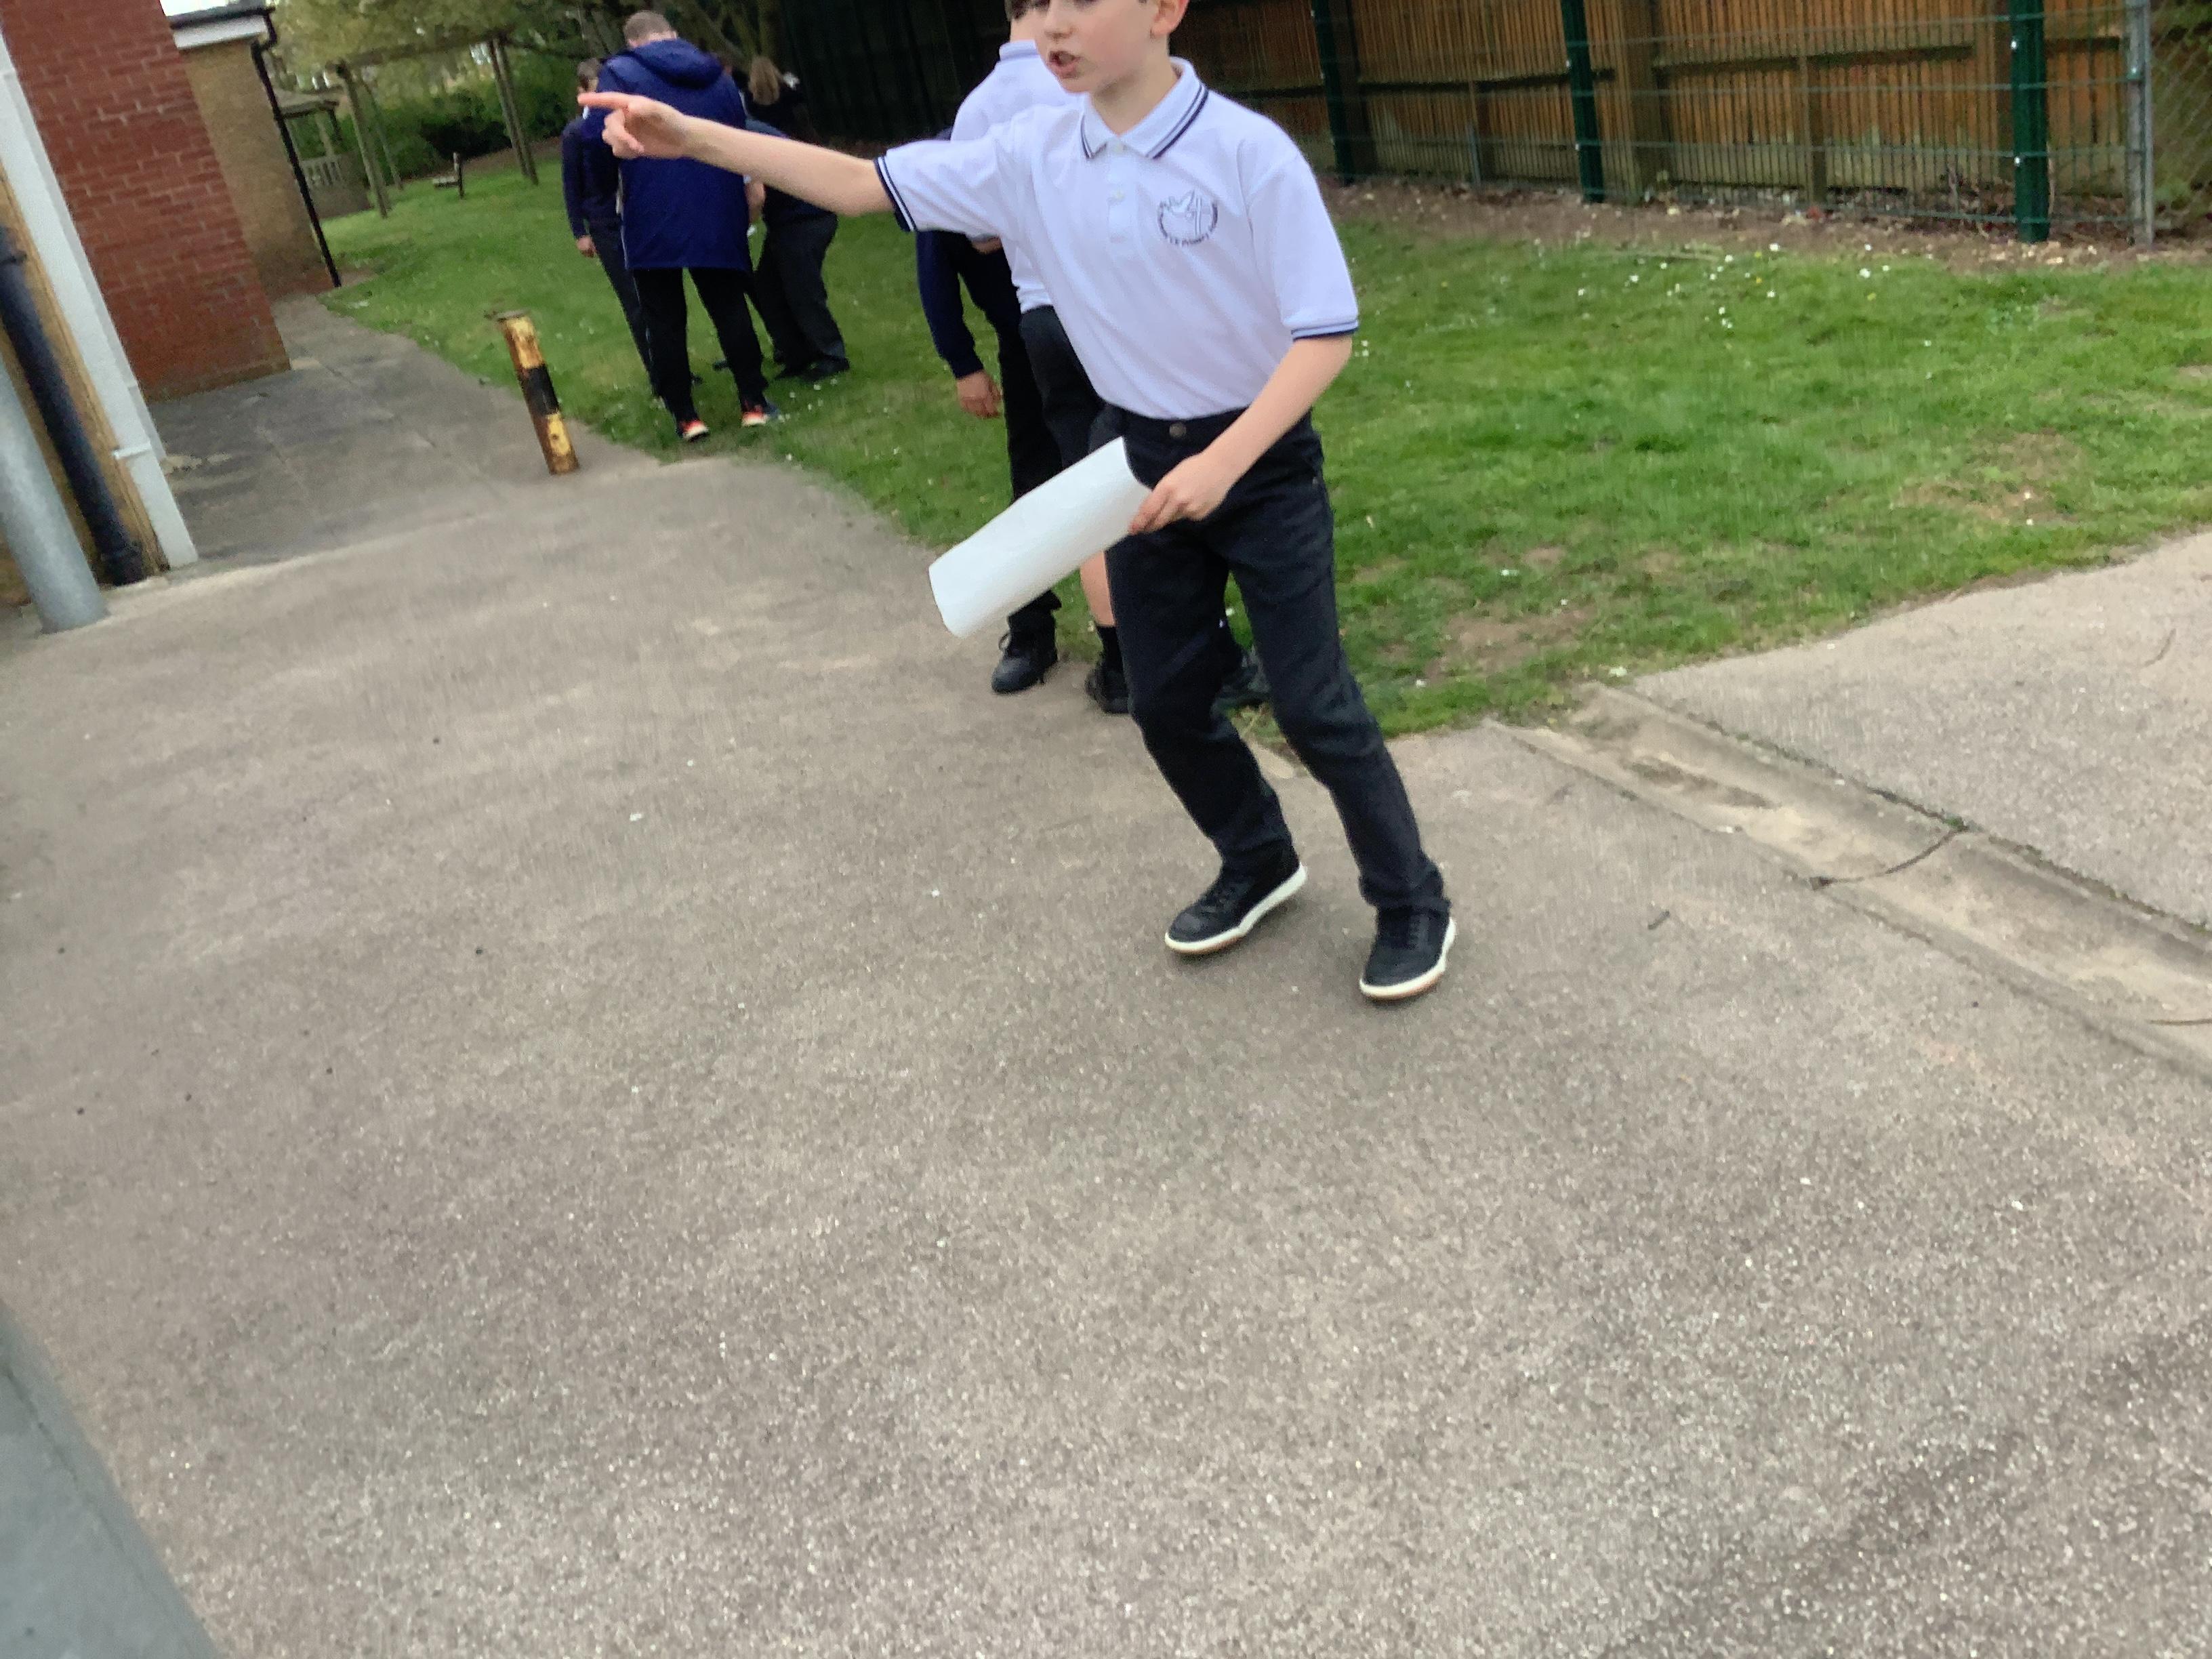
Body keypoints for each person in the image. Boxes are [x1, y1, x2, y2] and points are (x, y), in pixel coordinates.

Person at [581, 0, 1456, 1002]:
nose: (1056, 26)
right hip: (1137, 463)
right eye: (1044, 4)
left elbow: (1323, 334)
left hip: (1260, 465)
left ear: (1165, 8)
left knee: (1312, 702)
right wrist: (691, 138)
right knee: (1166, 702)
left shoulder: (1248, 154)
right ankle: (1258, 858)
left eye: (1083, 0)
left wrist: (1226, 462)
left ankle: (1412, 900)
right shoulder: (1029, 154)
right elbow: (860, 184)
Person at [947, 0, 1265, 716]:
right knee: (1170, 469)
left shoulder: (981, 109)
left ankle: (1124, 664)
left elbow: (978, 236)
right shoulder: (1107, 81)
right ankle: (1212, 655)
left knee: (1088, 488)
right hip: (1123, 310)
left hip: (1040, 318)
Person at [583, 12, 776, 440]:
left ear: (633, 42)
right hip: (717, 202)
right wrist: (748, 187)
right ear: (672, 34)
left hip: (652, 207)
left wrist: (602, 198)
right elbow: (740, 135)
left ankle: (687, 415)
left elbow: (597, 140)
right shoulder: (717, 75)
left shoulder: (621, 74)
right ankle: (753, 402)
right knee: (729, 305)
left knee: (664, 317)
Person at [560, 60, 655, 385]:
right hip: (605, 223)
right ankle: (657, 372)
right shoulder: (576, 134)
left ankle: (673, 366)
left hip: (636, 218)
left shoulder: (623, 125)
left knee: (655, 296)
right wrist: (580, 231)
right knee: (633, 299)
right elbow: (571, 185)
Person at [743, 118, 849, 382]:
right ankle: (797, 352)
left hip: (807, 215)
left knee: (801, 287)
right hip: (793, 216)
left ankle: (831, 354)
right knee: (768, 285)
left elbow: (756, 197)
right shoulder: (746, 129)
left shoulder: (742, 137)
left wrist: (738, 228)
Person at [747, 55, 816, 142]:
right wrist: (796, 84)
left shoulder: (750, 94)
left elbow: (751, 113)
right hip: (788, 131)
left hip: (765, 135)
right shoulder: (783, 88)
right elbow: (799, 98)